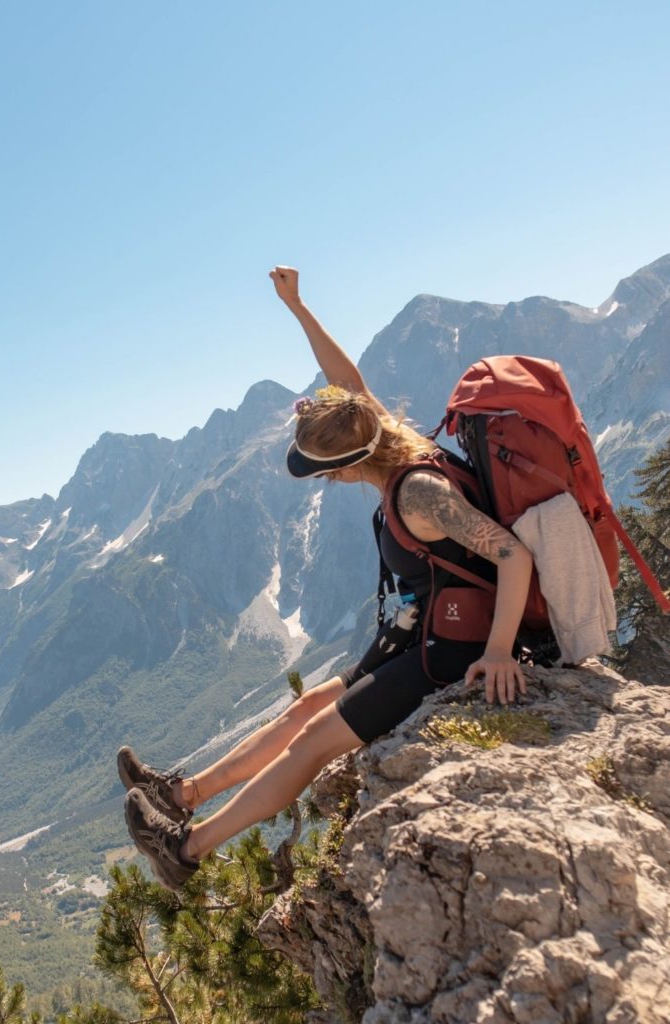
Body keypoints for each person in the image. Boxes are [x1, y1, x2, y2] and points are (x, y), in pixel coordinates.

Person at [120, 266, 533, 890]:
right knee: (307, 707)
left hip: (447, 652)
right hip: (410, 636)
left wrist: (499, 651)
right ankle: (182, 794)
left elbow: (511, 555)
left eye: (321, 472)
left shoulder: (417, 493)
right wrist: (298, 306)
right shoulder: (387, 436)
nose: (322, 482)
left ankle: (186, 849)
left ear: (344, 470)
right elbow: (350, 385)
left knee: (314, 739)